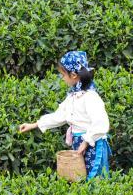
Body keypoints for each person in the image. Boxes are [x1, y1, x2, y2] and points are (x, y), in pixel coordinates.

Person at [18, 50, 111, 180]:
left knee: (94, 180)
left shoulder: (90, 97)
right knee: (78, 178)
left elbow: (101, 123)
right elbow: (60, 115)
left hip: (93, 144)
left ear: (73, 75)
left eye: (63, 75)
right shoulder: (73, 96)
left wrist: (86, 142)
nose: (62, 78)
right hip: (79, 142)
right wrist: (34, 125)